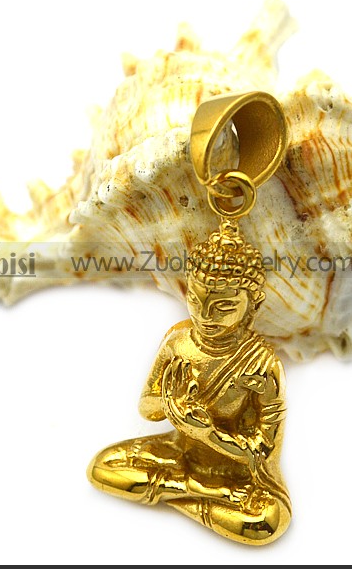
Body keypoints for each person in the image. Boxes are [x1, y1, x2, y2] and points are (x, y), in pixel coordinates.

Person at [87, 221, 290, 544]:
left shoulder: (263, 363)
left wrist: (206, 432)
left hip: (235, 472)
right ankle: (201, 493)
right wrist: (172, 407)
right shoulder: (178, 342)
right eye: (196, 300)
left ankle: (173, 492)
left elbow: (263, 455)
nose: (205, 316)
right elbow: (148, 410)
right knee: (102, 466)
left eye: (223, 306)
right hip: (179, 453)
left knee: (267, 522)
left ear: (253, 305)